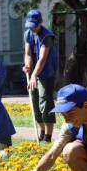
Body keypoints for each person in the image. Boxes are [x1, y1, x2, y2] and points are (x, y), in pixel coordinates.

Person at [23, 9, 58, 142]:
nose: (32, 28)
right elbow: (28, 53)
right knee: (35, 103)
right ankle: (42, 131)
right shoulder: (28, 33)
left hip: (46, 73)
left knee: (45, 103)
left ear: (41, 22)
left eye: (34, 25)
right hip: (34, 73)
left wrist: (33, 76)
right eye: (30, 25)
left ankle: (48, 136)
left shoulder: (47, 36)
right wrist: (27, 65)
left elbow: (42, 59)